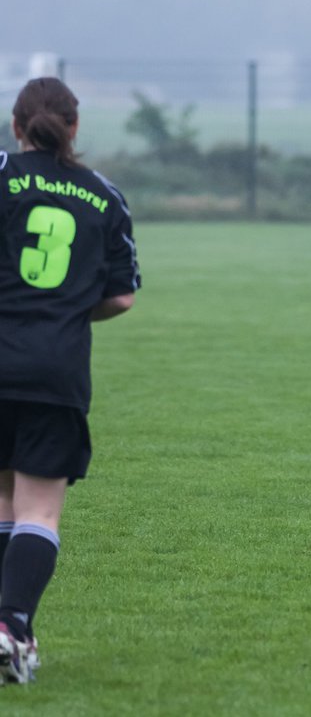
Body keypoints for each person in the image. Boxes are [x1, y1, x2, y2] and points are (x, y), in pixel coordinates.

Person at [0, 77, 140, 686]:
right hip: (55, 367)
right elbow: (122, 298)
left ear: (16, 126)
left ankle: (8, 631)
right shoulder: (103, 196)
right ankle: (11, 627)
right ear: (75, 128)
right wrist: (65, 308)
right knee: (37, 511)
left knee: (3, 502)